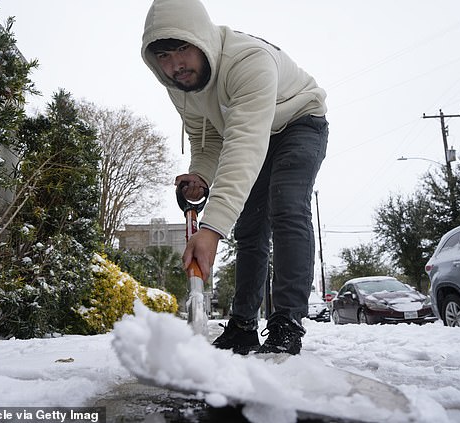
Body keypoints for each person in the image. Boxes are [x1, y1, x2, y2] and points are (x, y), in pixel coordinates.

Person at [141, 0, 328, 355]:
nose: (175, 64)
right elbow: (207, 139)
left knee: (286, 205)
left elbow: (243, 144)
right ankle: (242, 325)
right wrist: (200, 174)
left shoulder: (248, 61)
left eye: (182, 49)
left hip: (299, 122)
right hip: (250, 134)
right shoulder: (180, 85)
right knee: (249, 227)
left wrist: (211, 229)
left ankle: (287, 321)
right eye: (163, 55)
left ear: (202, 40)